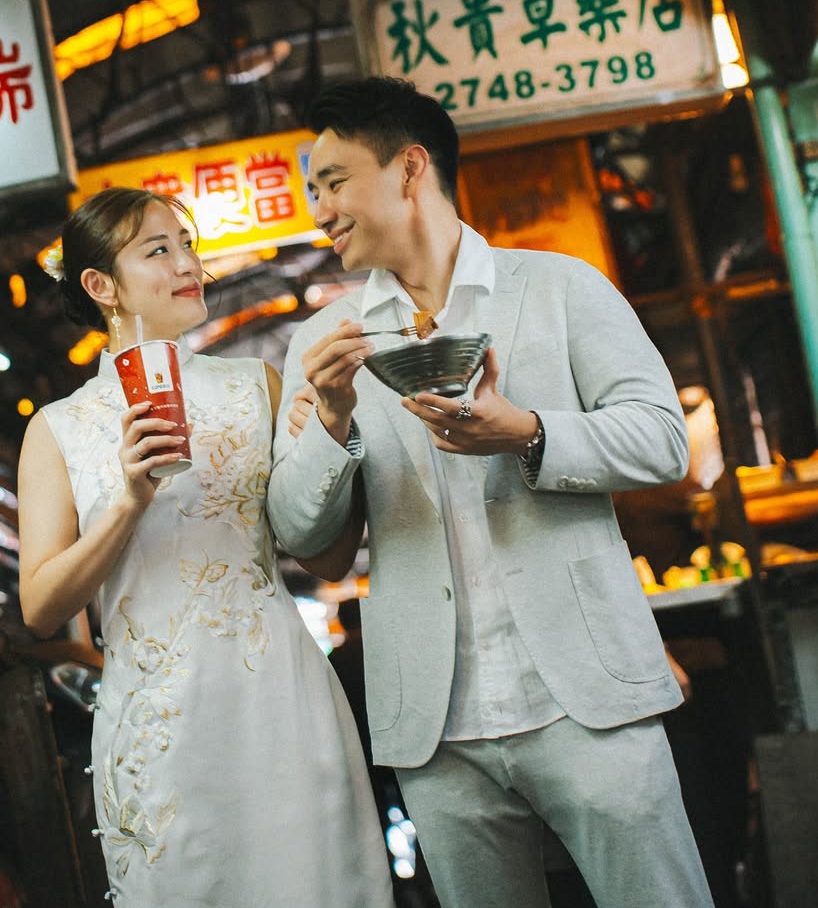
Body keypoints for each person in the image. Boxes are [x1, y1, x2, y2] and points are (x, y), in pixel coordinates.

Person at [267, 76, 715, 908]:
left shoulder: (560, 286)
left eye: (332, 183)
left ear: (409, 168)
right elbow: (301, 535)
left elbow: (661, 437)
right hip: (438, 726)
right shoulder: (324, 344)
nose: (318, 210)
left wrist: (527, 433)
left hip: (588, 692)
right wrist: (330, 420)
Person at [17, 187, 393, 908]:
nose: (189, 265)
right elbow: (40, 607)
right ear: (100, 285)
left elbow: (325, 557)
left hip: (279, 696)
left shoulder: (258, 385)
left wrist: (333, 429)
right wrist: (129, 500)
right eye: (159, 250)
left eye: (187, 245)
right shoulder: (59, 428)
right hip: (158, 725)